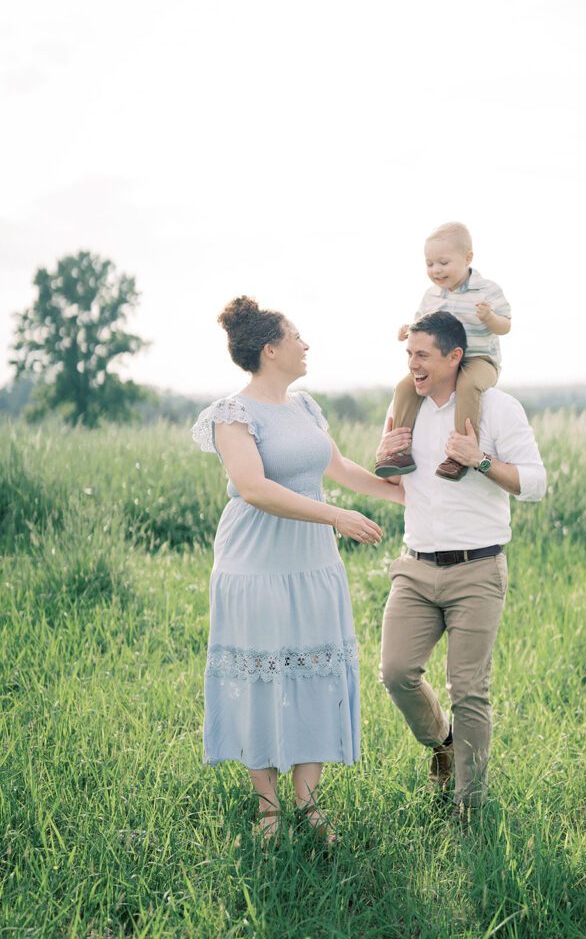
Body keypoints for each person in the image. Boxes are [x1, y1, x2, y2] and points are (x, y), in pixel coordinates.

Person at [192, 296, 404, 843]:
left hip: (313, 563)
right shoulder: (231, 415)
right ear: (270, 349)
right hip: (255, 565)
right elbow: (256, 488)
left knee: (316, 675)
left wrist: (405, 495)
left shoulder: (305, 407)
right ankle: (268, 810)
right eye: (297, 337)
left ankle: (309, 808)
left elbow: (338, 468)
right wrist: (335, 515)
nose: (306, 345)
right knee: (262, 678)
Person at [376, 311, 546, 813]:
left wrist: (481, 460)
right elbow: (394, 482)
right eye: (409, 356)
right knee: (396, 671)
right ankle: (444, 745)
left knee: (469, 689)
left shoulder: (497, 408)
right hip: (416, 566)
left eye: (423, 356)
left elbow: (536, 483)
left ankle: (468, 806)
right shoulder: (406, 406)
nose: (413, 366)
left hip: (478, 568)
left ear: (455, 357)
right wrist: (381, 455)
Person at [375, 221, 511, 482]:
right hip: (441, 362)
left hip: (478, 359)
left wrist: (490, 317)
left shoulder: (487, 290)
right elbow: (422, 325)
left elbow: (505, 326)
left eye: (443, 263)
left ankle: (460, 453)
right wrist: (408, 329)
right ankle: (399, 449)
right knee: (405, 387)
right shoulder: (432, 296)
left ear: (467, 258)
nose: (436, 270)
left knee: (468, 385)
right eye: (429, 264)